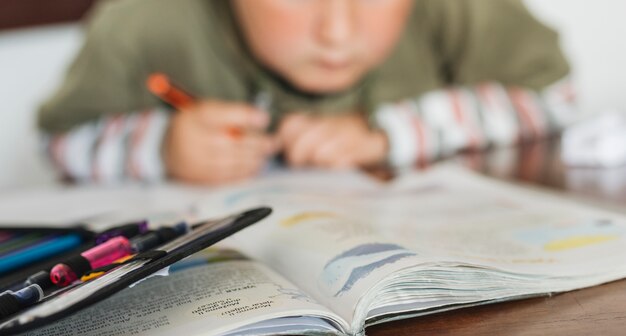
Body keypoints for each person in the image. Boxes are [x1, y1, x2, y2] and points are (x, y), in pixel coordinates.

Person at [38, 0, 574, 185]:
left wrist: (389, 134)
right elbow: (60, 139)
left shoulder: (455, 9)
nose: (337, 32)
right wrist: (161, 146)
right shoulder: (142, 22)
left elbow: (553, 93)